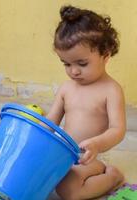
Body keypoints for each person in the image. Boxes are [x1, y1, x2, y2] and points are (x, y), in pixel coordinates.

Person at [46, 5, 126, 200]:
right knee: (33, 172)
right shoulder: (66, 88)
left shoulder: (111, 90)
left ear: (105, 55)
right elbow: (50, 123)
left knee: (68, 190)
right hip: (65, 154)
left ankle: (112, 177)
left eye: (82, 64)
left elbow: (118, 130)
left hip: (92, 157)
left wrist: (97, 145)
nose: (73, 71)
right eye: (66, 64)